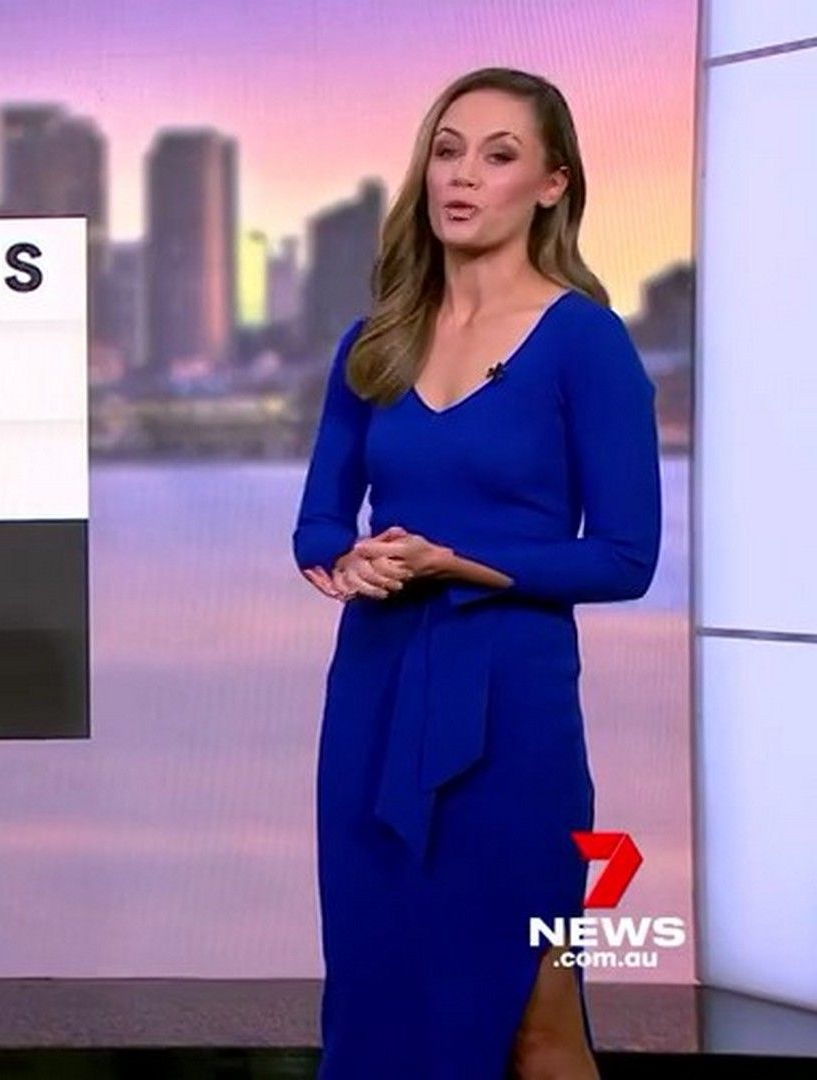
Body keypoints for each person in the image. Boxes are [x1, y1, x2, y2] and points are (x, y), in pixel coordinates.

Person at [291, 67, 661, 1079]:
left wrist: (459, 562)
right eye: (447, 151)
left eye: (499, 156)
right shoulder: (376, 340)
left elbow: (625, 557)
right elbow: (318, 519)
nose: (462, 176)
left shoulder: (586, 342)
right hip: (374, 699)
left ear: (552, 184)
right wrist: (343, 556)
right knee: (372, 1003)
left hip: (514, 713)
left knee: (539, 1019)